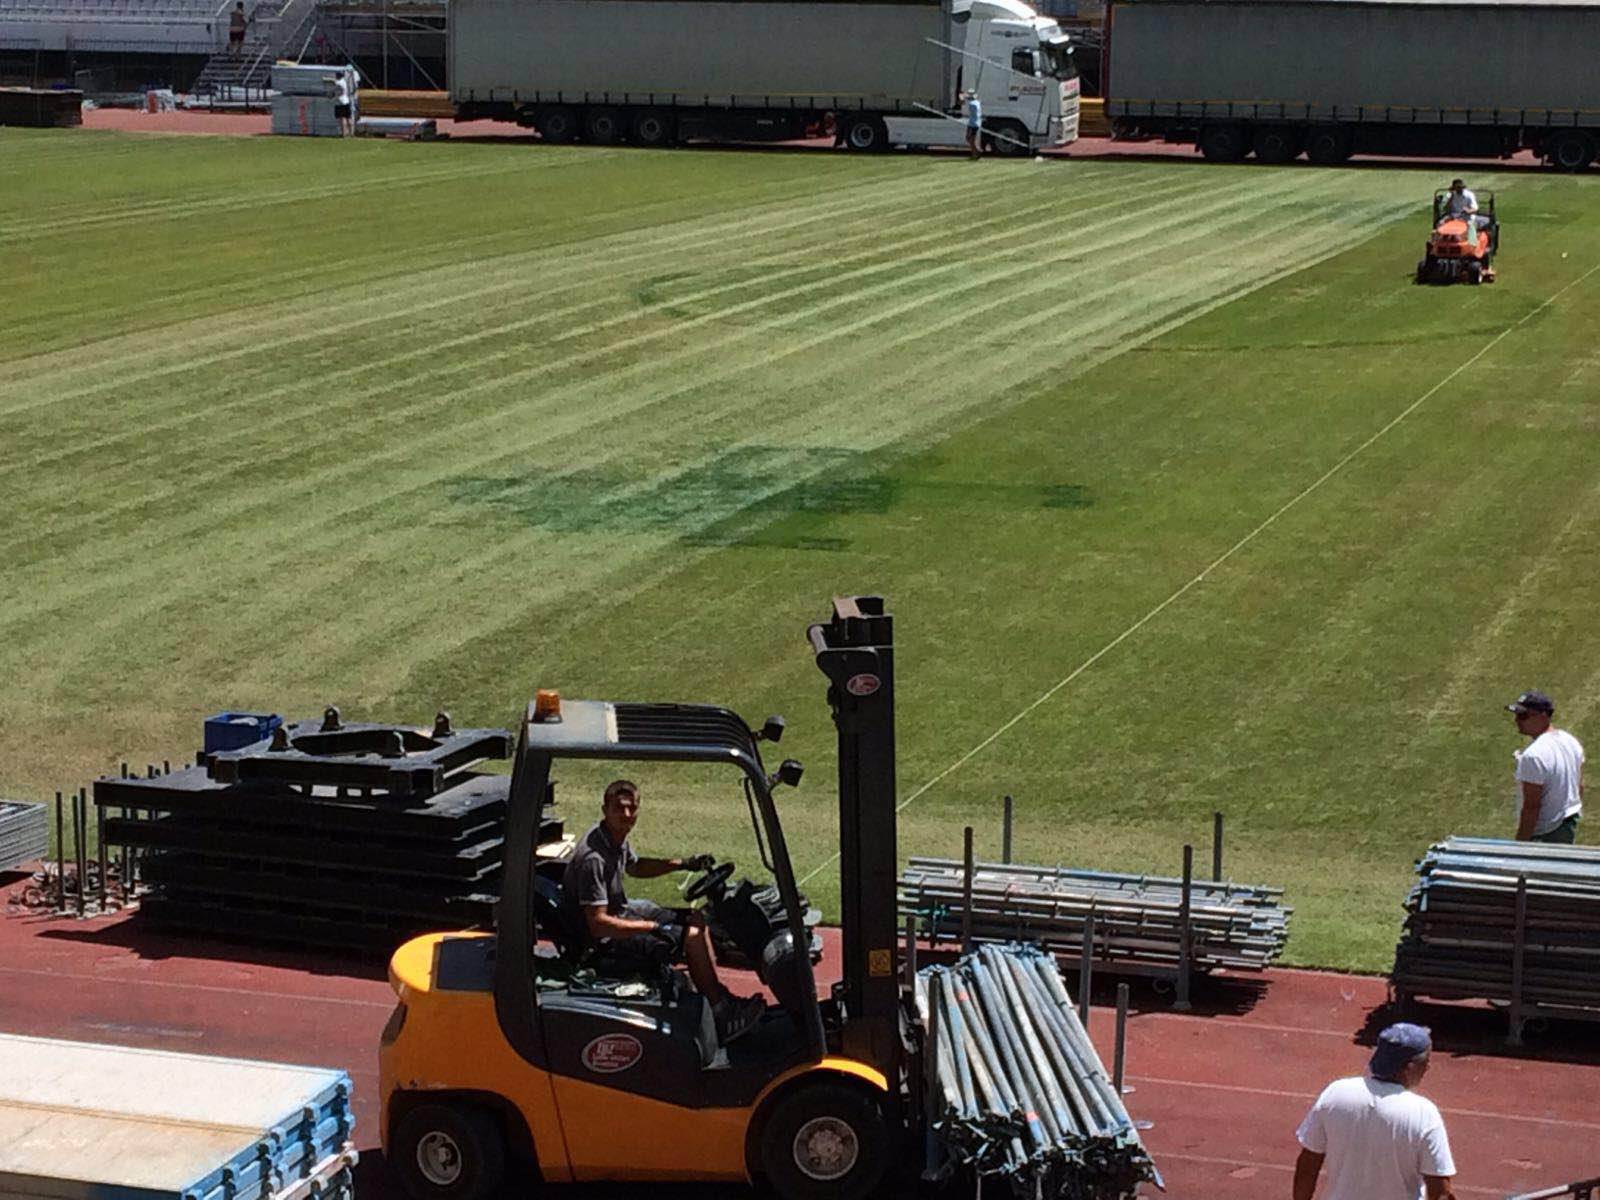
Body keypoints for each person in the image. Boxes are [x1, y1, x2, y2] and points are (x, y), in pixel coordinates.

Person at [560, 779, 766, 1042]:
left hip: (623, 912)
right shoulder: (594, 858)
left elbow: (636, 867)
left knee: (695, 919)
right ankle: (721, 1014)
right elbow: (599, 924)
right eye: (619, 808)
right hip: (603, 940)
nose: (626, 815)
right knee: (689, 935)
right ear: (605, 809)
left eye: (632, 809)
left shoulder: (613, 837)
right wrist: (653, 927)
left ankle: (716, 996)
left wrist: (683, 864)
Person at [1294, 1023, 1457, 1200]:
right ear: (1409, 1067)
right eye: (1425, 1062)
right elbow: (1440, 1190)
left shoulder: (1336, 1093)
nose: (1428, 1068)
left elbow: (1307, 1166)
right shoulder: (1425, 1114)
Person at [1507, 690, 1584, 843]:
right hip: (1567, 823)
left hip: (1546, 833)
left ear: (1542, 716)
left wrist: (1520, 844)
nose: (1517, 720)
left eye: (1523, 716)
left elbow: (1531, 807)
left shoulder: (1533, 756)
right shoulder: (1570, 741)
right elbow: (1579, 787)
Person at [330, 70, 352, 137]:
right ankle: (351, 133)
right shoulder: (344, 81)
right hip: (346, 101)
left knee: (342, 118)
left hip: (340, 101)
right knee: (348, 117)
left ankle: (344, 134)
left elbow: (336, 88)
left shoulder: (338, 83)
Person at [963, 91, 983, 159]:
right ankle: (974, 154)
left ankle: (977, 152)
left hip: (972, 124)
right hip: (976, 123)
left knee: (971, 140)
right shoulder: (977, 103)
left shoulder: (972, 104)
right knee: (971, 139)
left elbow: (970, 112)